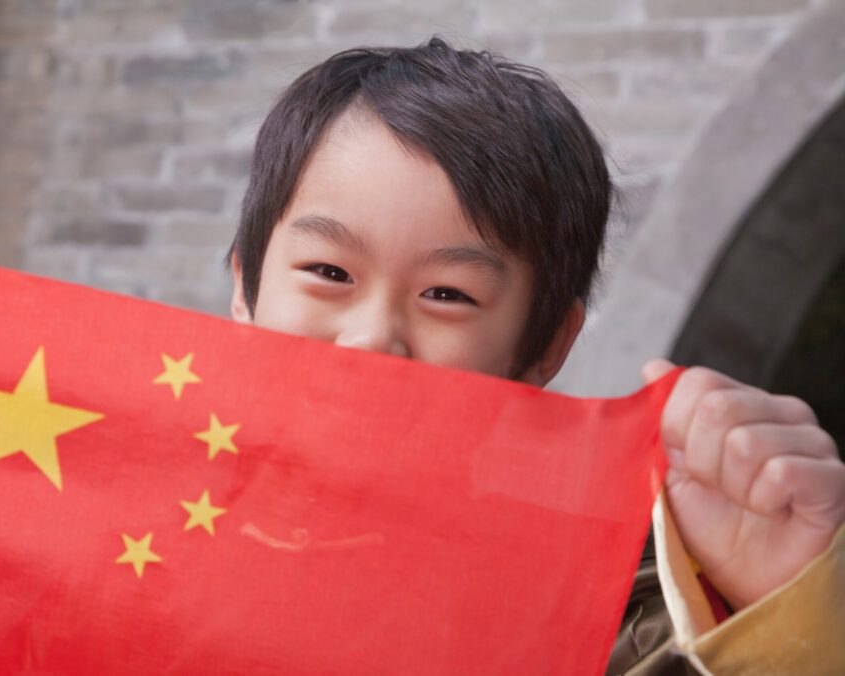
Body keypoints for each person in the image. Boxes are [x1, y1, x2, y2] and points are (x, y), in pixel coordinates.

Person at [225, 38, 845, 674]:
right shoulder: (129, 525)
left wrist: (782, 618)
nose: (373, 339)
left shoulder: (624, 618)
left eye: (447, 294)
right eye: (329, 271)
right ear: (246, 288)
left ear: (546, 345)